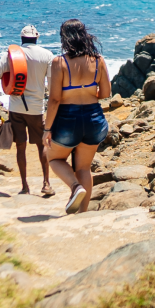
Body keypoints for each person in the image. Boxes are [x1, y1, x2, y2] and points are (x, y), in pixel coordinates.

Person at [43, 19, 111, 214]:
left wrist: (47, 129)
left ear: (65, 38)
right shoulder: (98, 60)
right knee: (83, 167)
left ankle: (75, 187)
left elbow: (54, 99)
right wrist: (87, 93)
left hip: (68, 119)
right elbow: (106, 93)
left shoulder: (60, 62)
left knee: (53, 158)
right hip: (94, 118)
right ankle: (83, 213)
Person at [0, 24, 54, 196]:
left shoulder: (9, 55)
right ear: (37, 37)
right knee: (42, 145)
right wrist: (53, 109)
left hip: (16, 109)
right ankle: (46, 184)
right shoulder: (47, 55)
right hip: (36, 109)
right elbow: (51, 87)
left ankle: (25, 186)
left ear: (21, 38)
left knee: (20, 147)